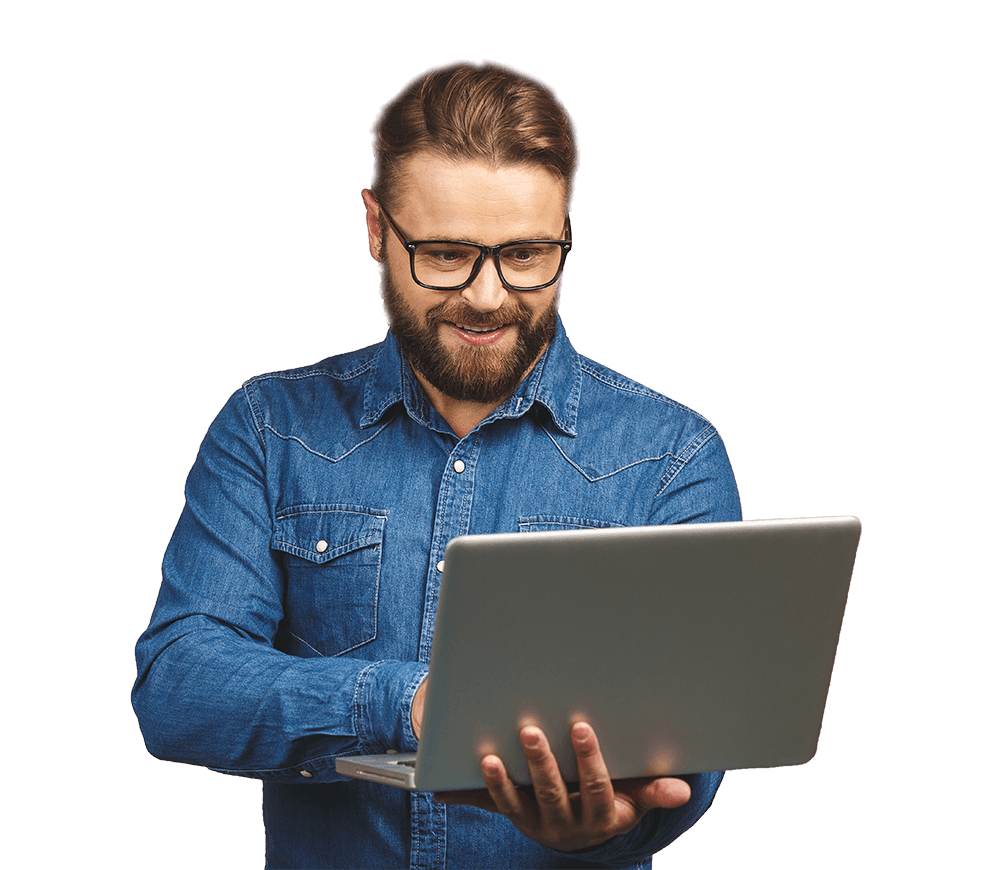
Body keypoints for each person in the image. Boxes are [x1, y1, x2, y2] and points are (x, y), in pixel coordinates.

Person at [132, 59, 742, 869]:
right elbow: (178, 686)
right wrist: (412, 704)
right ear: (376, 229)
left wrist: (616, 825)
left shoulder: (674, 457)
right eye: (448, 254)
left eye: (527, 254)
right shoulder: (269, 427)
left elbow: (694, 754)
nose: (488, 297)